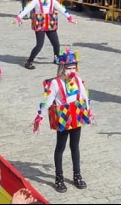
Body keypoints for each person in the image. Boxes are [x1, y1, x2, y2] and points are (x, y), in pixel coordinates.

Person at [32, 46, 92, 194]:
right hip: (63, 117)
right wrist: (40, 116)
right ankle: (59, 177)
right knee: (60, 147)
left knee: (75, 146)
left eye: (73, 67)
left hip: (76, 116)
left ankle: (76, 174)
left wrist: (89, 111)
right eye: (68, 68)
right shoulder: (55, 83)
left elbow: (84, 97)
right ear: (62, 68)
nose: (72, 71)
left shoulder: (78, 80)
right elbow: (47, 101)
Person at [15, 0, 76, 70]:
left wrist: (69, 17)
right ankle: (29, 61)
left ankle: (56, 59)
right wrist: (19, 17)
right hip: (40, 23)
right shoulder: (36, 0)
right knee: (39, 45)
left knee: (56, 43)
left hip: (50, 23)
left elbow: (61, 8)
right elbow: (27, 8)